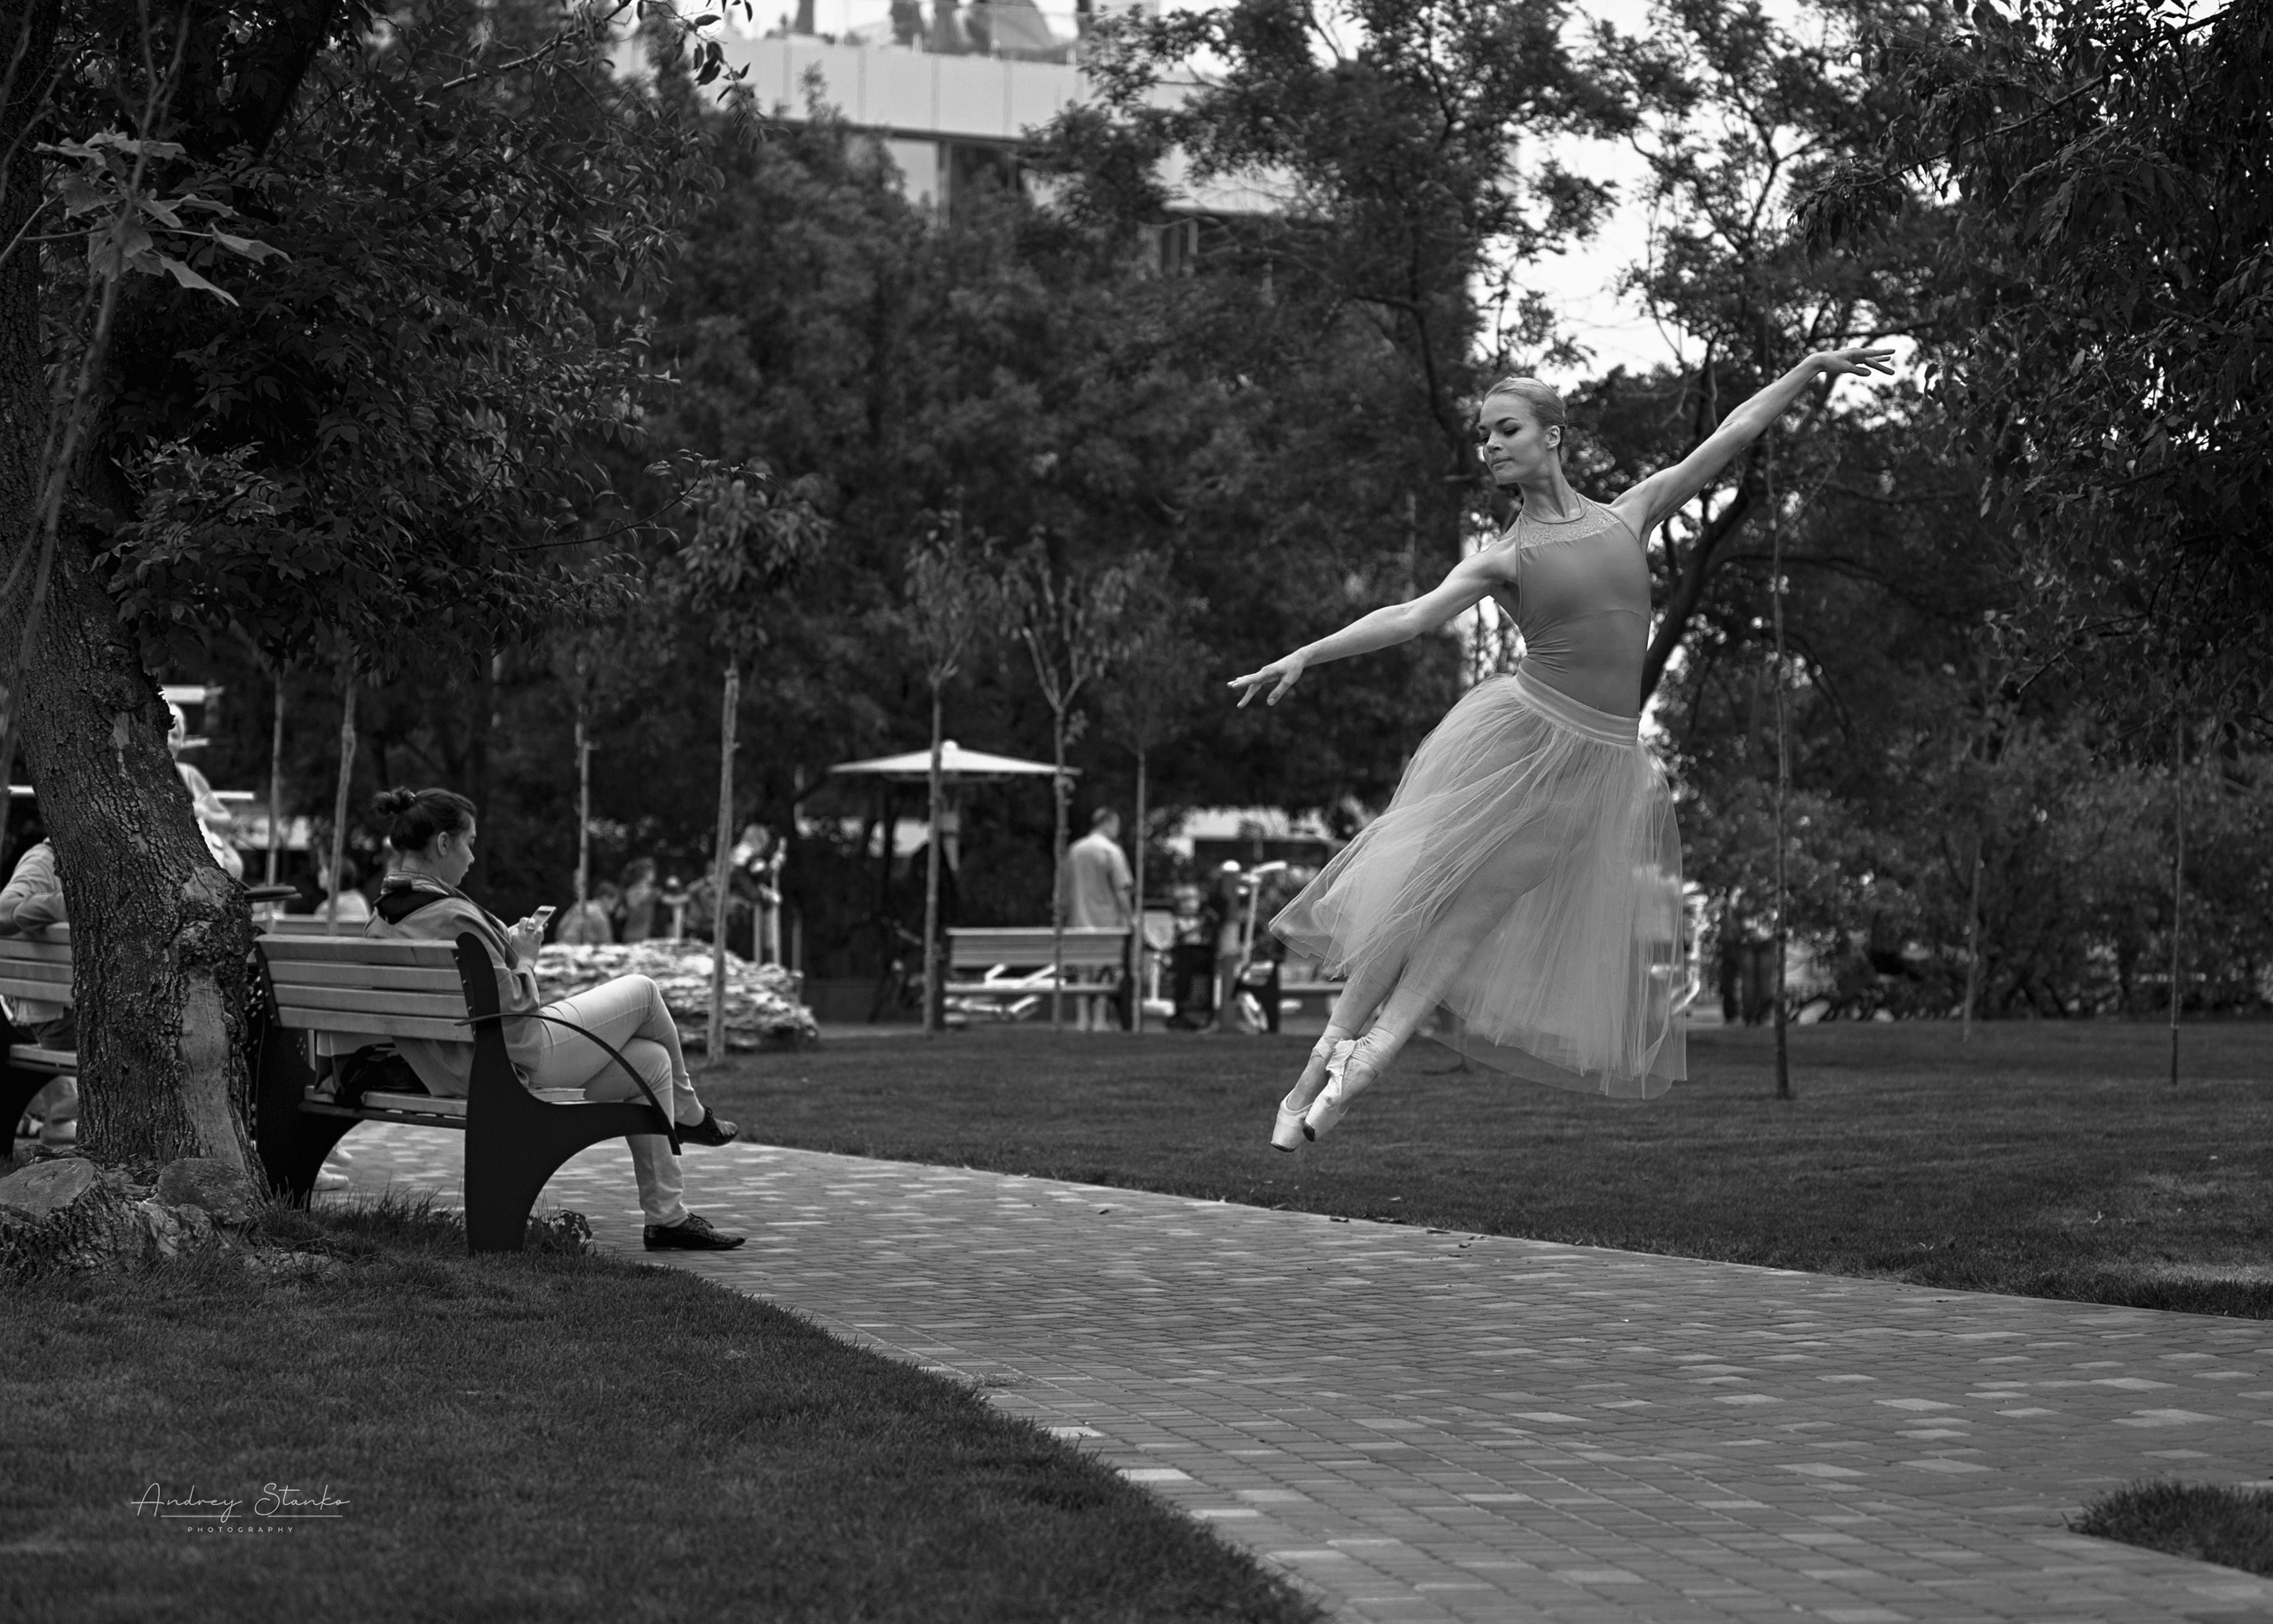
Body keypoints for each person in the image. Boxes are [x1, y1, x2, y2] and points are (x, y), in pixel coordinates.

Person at [1233, 349, 1895, 1146]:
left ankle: (1362, 1064)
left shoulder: (1631, 513)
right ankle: (1317, 1070)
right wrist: (1308, 653)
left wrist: (1813, 365)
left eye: (1505, 429)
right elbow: (1409, 616)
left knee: (1469, 914)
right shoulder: (1505, 557)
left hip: (1600, 761)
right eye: (1483, 437)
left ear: (1553, 434)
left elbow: (1734, 430)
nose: (1491, 446)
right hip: (1521, 737)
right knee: (1420, 896)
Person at [365, 788, 746, 1251]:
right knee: (644, 991)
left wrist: (502, 945)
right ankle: (690, 1114)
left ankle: (667, 1217)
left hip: (452, 1069)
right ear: (443, 844)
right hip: (511, 1063)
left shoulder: (385, 917)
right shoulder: (452, 916)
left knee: (650, 1063)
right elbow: (519, 1007)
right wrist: (524, 957)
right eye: (468, 843)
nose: (470, 857)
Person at [0, 834, 76, 1148]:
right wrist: (63, 902)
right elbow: (4, 911)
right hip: (62, 1022)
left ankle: (62, 1114)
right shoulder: (44, 861)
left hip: (66, 1015)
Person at [1060, 808, 1134, 1032]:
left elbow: (1063, 888)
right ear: (1108, 823)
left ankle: (1082, 1019)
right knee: (1104, 970)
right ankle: (1099, 1019)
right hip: (1106, 921)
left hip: (1078, 920)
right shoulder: (1112, 852)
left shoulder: (1075, 850)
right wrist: (1130, 918)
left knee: (1083, 970)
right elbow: (1122, 889)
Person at [167, 701, 244, 880]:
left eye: (176, 736)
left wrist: (203, 813)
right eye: (164, 734)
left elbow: (226, 820)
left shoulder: (189, 776)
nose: (170, 742)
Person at [556, 881, 619, 947]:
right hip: (581, 951)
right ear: (606, 899)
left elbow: (560, 929)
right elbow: (606, 943)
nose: (614, 908)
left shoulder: (578, 906)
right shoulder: (600, 915)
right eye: (614, 903)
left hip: (562, 946)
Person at [618, 858, 661, 942]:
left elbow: (619, 915)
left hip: (627, 935)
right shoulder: (653, 893)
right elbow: (674, 901)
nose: (654, 874)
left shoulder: (628, 891)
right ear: (646, 873)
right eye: (653, 872)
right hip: (642, 937)